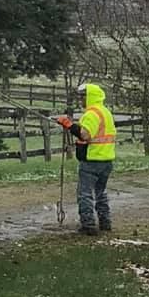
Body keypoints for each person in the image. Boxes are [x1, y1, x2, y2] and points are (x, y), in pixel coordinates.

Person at [57, 82, 117, 236]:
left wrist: (69, 125)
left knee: (85, 194)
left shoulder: (92, 114)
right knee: (100, 193)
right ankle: (105, 223)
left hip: (92, 160)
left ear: (90, 97)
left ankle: (88, 225)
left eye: (83, 97)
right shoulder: (105, 112)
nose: (81, 100)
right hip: (106, 160)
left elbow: (85, 135)